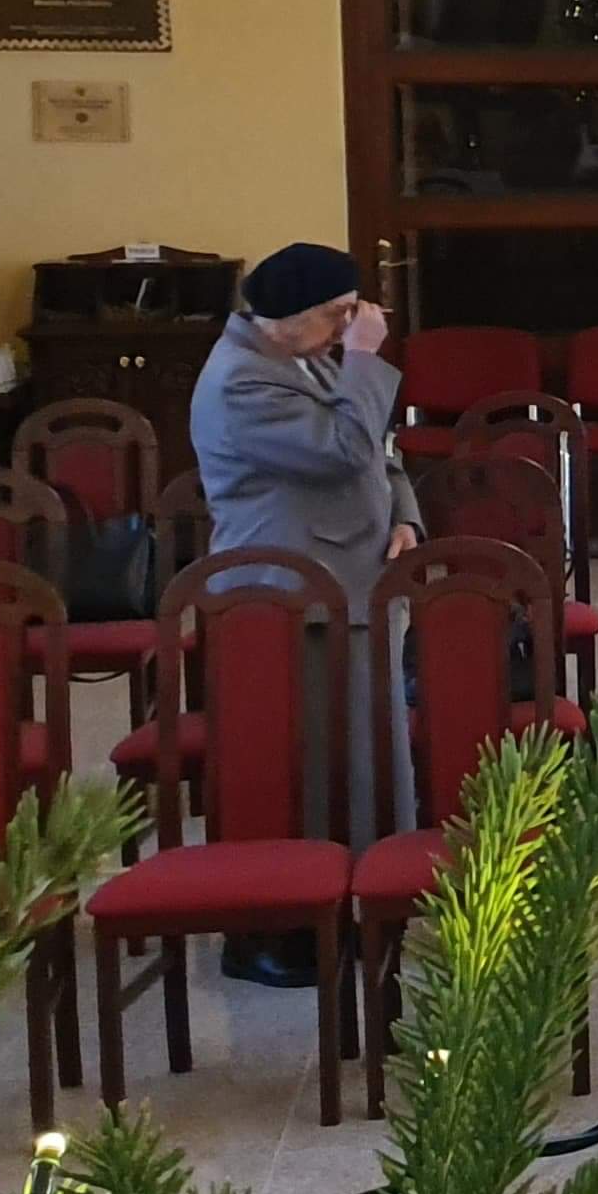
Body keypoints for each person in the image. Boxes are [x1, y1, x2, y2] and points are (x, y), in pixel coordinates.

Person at [187, 243, 424, 989]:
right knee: (309, 767)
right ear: (286, 315)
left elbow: (378, 451)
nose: (349, 327)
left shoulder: (302, 356)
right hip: (286, 600)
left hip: (352, 583)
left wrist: (405, 516)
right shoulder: (241, 380)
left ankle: (362, 900)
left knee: (364, 758)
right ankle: (280, 924)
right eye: (338, 314)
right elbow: (342, 449)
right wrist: (363, 359)